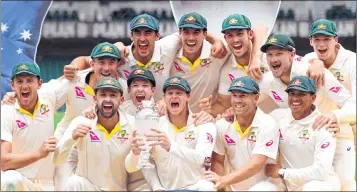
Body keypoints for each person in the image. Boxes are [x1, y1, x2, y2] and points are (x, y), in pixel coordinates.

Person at [259, 34, 356, 191]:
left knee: (345, 185)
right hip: (297, 134)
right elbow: (244, 99)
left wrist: (334, 116)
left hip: (332, 131)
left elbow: (353, 105)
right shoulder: (267, 80)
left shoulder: (315, 73)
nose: (273, 59)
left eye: (278, 53)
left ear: (292, 55)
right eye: (269, 55)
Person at [199, 14, 325, 117]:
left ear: (250, 34)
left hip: (302, 115)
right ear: (225, 38)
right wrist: (209, 109)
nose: (235, 40)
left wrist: (316, 62)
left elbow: (262, 28)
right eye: (230, 35)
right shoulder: (227, 69)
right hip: (267, 120)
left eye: (239, 33)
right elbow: (223, 104)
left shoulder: (269, 55)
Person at [125, 76, 217, 191]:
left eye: (179, 93)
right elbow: (134, 166)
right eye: (170, 93)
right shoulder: (154, 125)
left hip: (196, 187)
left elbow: (202, 159)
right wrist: (156, 187)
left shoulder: (204, 124)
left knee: (208, 188)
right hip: (165, 189)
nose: (174, 96)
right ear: (164, 98)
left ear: (188, 96)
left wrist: (171, 146)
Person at [52, 77, 134, 191]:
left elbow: (137, 167)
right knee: (74, 183)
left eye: (113, 95)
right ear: (95, 99)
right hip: (89, 188)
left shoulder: (132, 124)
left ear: (122, 99)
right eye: (103, 95)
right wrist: (72, 138)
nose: (108, 99)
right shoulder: (81, 122)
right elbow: (57, 160)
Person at [304, 19, 356, 191]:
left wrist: (335, 116)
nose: (321, 44)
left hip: (343, 130)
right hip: (314, 131)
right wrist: (315, 62)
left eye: (326, 39)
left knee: (346, 184)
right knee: (316, 183)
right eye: (317, 39)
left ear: (336, 40)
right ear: (310, 41)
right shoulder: (308, 60)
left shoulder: (352, 62)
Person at [203, 76, 280, 191]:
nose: (238, 100)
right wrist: (220, 185)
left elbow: (256, 165)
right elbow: (218, 160)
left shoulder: (268, 124)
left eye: (243, 95)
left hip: (267, 186)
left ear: (256, 98)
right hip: (235, 187)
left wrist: (223, 180)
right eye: (234, 95)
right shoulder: (222, 125)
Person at [266, 76, 340, 191]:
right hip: (289, 183)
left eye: (301, 94)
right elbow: (254, 120)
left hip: (321, 183)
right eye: (292, 93)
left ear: (313, 98)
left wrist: (283, 173)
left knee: (311, 188)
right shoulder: (278, 116)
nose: (295, 98)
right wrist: (232, 115)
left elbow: (320, 172)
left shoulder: (324, 124)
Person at [1, 62, 67, 191]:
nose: (24, 85)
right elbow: (3, 161)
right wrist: (39, 153)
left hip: (47, 183)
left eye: (29, 81)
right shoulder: (6, 112)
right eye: (19, 81)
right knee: (10, 180)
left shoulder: (48, 95)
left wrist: (87, 62)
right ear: (12, 85)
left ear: (39, 83)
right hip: (21, 181)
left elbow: (72, 75)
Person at [169, 12, 229, 113]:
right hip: (175, 117)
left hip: (206, 118)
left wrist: (255, 58)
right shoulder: (170, 54)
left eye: (196, 32)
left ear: (205, 34)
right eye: (186, 32)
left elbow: (260, 29)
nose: (191, 38)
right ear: (179, 33)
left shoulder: (217, 51)